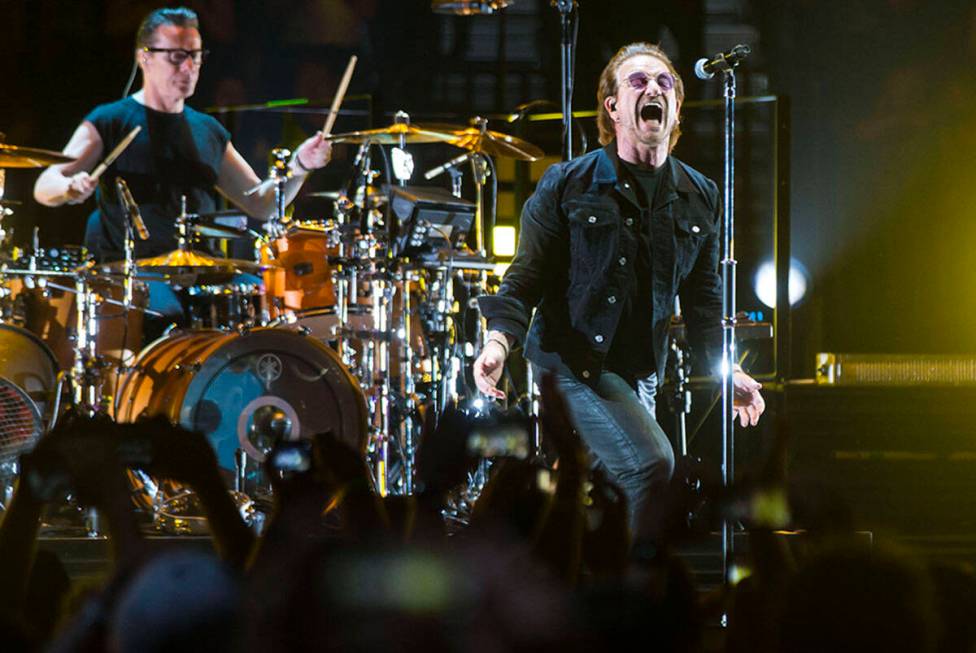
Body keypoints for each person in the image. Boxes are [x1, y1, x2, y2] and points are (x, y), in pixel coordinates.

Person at [474, 42, 765, 524]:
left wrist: (724, 370)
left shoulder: (699, 194)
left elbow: (703, 302)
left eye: (664, 83)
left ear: (675, 111)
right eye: (638, 81)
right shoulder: (568, 183)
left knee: (607, 496)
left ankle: (586, 582)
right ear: (613, 107)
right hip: (572, 363)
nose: (653, 88)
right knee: (653, 466)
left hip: (641, 371)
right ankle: (628, 591)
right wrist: (498, 343)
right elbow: (525, 278)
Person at [33, 6, 332, 262]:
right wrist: (69, 186)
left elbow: (261, 204)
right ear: (144, 57)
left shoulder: (208, 130)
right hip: (135, 279)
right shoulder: (111, 120)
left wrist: (300, 166)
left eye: (196, 56)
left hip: (201, 272)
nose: (189, 66)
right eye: (177, 56)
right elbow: (45, 185)